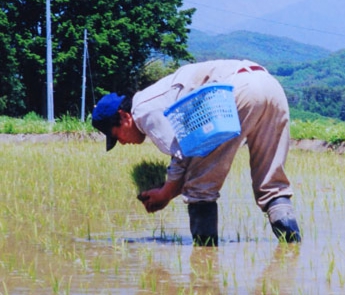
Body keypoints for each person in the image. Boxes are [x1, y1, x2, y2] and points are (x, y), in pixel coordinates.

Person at [91, 59, 301, 245]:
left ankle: (205, 261)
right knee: (272, 188)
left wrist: (165, 193)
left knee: (200, 188)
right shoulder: (155, 96)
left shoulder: (143, 110)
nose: (122, 142)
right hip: (269, 85)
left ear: (124, 117)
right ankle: (292, 249)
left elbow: (183, 152)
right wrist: (169, 192)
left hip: (234, 93)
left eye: (116, 135)